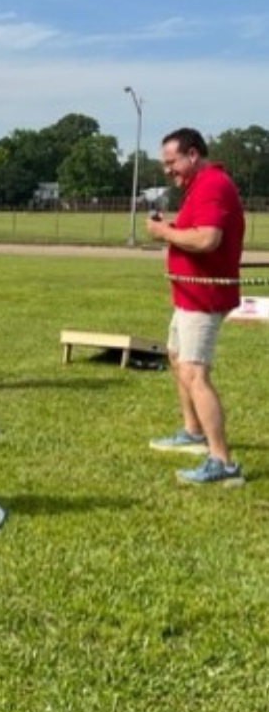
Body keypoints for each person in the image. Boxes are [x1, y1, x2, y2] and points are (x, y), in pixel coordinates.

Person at [146, 127, 245, 486]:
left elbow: (207, 239)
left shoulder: (212, 184)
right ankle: (193, 431)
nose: (167, 170)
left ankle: (222, 462)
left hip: (205, 297)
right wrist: (173, 229)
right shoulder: (198, 186)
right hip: (189, 294)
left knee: (194, 373)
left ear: (192, 154)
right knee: (175, 356)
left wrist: (163, 233)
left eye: (171, 162)